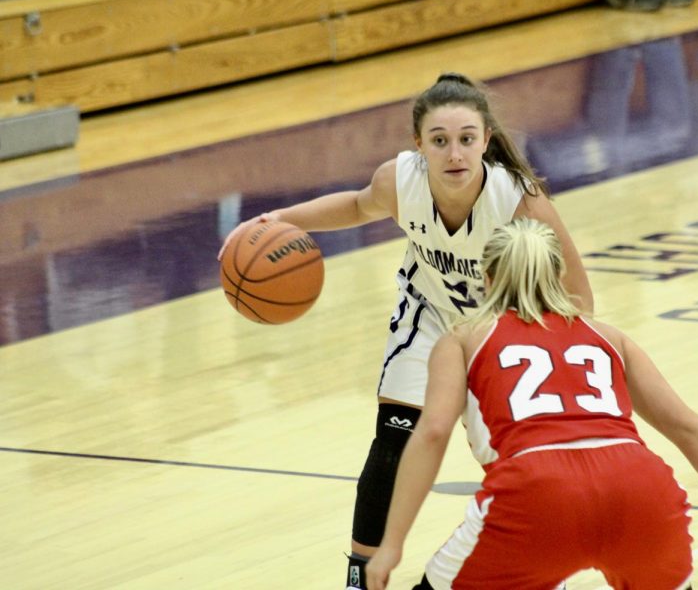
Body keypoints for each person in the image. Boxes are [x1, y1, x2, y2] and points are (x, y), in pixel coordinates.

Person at [217, 73, 594, 589]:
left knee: (515, 466)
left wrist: (556, 360)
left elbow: (579, 298)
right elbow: (354, 205)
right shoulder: (401, 181)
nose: (454, 153)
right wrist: (278, 219)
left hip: (502, 333)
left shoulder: (519, 202)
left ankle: (542, 567)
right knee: (394, 439)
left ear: (486, 140)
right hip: (430, 316)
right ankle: (360, 577)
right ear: (419, 145)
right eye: (439, 140)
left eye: (466, 139)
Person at [365, 219, 698, 589]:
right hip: (641, 489)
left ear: (486, 277)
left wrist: (391, 544)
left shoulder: (463, 338)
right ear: (559, 274)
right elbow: (689, 429)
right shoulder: (610, 337)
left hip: (536, 493)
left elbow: (434, 432)